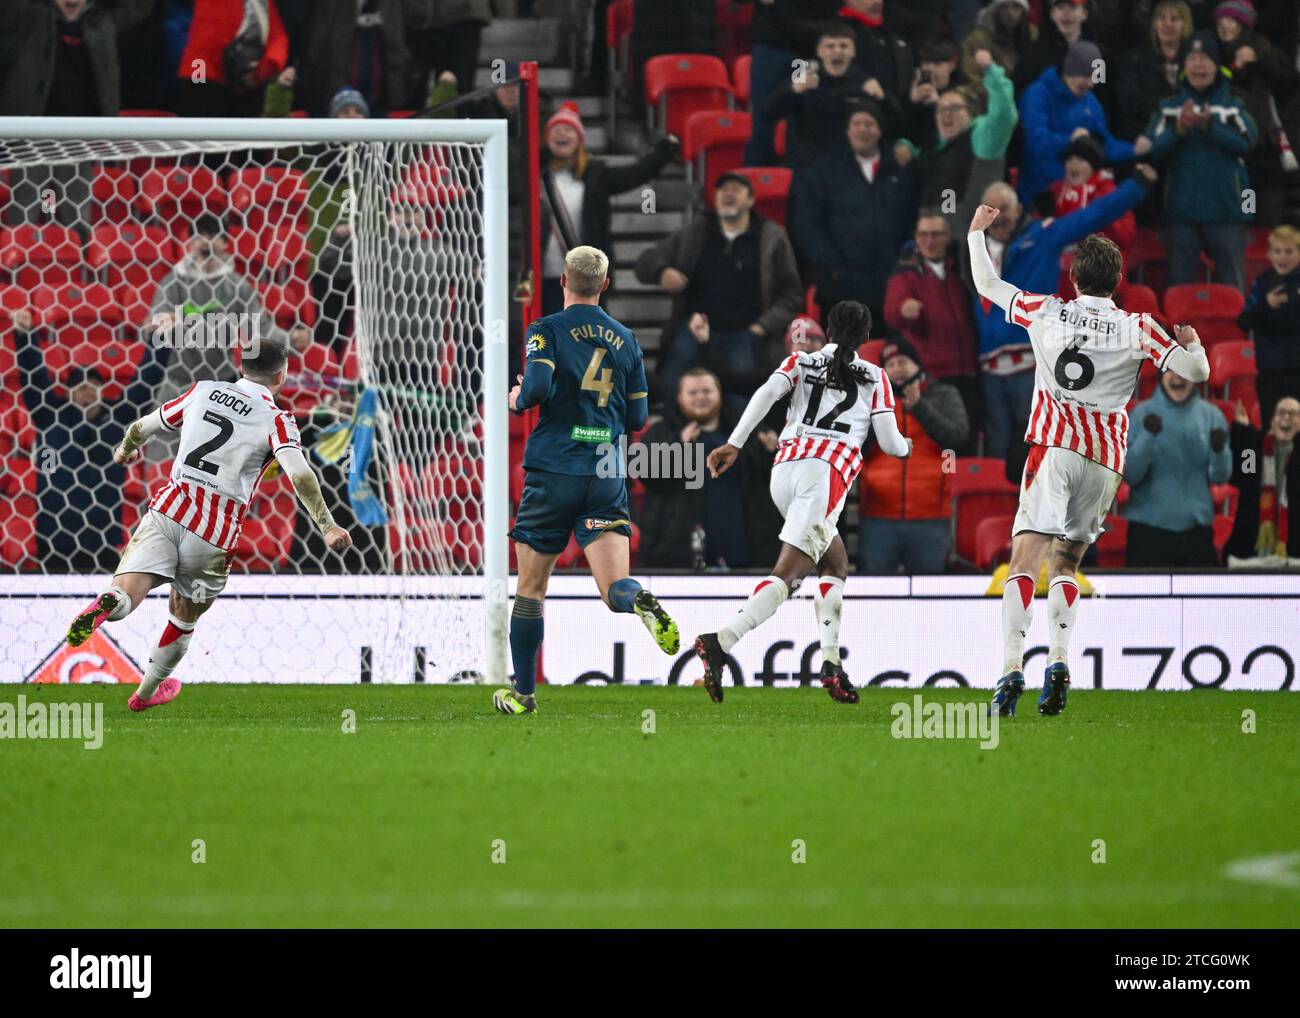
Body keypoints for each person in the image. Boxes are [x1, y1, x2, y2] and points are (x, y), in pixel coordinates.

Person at [966, 211, 1210, 718]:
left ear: (1074, 277)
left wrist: (975, 232)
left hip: (1053, 448)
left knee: (1025, 559)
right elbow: (1197, 372)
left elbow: (986, 282)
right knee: (1067, 564)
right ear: (1119, 281)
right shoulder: (1138, 326)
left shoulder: (1047, 310)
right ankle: (1058, 660)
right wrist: (1193, 343)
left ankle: (1012, 667)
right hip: (1104, 459)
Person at [64, 337, 353, 712]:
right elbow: (300, 473)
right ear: (281, 375)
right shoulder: (277, 419)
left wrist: (125, 449)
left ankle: (111, 602)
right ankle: (144, 695)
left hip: (170, 507)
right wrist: (328, 526)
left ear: (240, 367)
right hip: (214, 530)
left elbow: (142, 425)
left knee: (128, 588)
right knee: (183, 617)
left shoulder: (203, 391)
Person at [692, 301, 914, 706]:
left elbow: (765, 394)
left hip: (785, 471)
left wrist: (735, 443)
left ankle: (831, 662)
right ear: (866, 338)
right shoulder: (875, 376)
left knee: (835, 563)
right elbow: (889, 442)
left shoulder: (801, 361)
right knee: (788, 575)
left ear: (828, 331)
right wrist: (907, 444)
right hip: (824, 477)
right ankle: (722, 640)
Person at [501, 246, 680, 716]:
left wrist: (518, 398)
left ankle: (523, 695)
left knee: (531, 589)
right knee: (613, 585)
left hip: (555, 469)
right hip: (605, 471)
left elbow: (536, 388)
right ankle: (637, 599)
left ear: (563, 280)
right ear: (606, 283)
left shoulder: (546, 330)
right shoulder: (626, 339)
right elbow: (639, 417)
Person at [964, 168, 1157, 464]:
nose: (998, 216)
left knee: (1031, 451)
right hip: (989, 371)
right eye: (991, 209)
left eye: (1004, 208)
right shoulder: (972, 246)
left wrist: (1137, 185)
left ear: (1019, 209)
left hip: (1031, 367)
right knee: (995, 454)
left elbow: (1093, 215)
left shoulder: (1043, 235)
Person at [11, 307, 172, 573]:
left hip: (102, 539)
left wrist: (160, 341)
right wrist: (25, 335)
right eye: (80, 386)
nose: (86, 392)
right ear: (69, 392)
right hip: (53, 538)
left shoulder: (119, 419)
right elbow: (34, 378)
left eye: (93, 385)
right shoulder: (49, 415)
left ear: (102, 389)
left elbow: (146, 381)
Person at [635, 172, 802, 405]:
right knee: (672, 389)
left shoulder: (771, 237)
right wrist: (662, 272)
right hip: (695, 328)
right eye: (723, 190)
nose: (728, 194)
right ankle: (675, 438)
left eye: (736, 190)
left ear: (751, 199)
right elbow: (646, 259)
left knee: (742, 401)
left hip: (745, 332)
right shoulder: (696, 231)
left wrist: (762, 327)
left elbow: (792, 295)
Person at [1142, 30, 1259, 290]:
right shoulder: (1169, 106)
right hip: (1180, 215)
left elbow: (1249, 144)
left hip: (1227, 214)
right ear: (1184, 66)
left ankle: (1235, 334)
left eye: (1205, 58)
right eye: (1192, 58)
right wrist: (1178, 130)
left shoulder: (1234, 105)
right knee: (1178, 292)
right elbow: (1150, 150)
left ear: (1216, 65)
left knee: (1232, 291)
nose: (1198, 65)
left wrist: (1211, 126)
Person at [540, 100, 679, 315]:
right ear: (546, 139)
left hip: (585, 277)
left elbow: (635, 174)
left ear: (580, 140)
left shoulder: (597, 175)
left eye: (569, 129)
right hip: (546, 276)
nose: (562, 134)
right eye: (556, 130)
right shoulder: (535, 174)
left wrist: (666, 149)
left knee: (588, 341)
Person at [635, 367, 779, 569]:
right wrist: (678, 445)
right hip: (676, 556)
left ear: (720, 394)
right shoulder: (661, 432)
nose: (700, 397)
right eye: (693, 392)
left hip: (746, 552)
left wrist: (773, 453)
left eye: (707, 391)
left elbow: (776, 482)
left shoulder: (748, 433)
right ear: (678, 397)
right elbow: (647, 476)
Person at [792, 100, 916, 327]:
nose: (863, 129)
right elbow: (808, 224)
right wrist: (834, 267)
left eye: (869, 123)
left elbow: (911, 221)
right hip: (838, 288)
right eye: (856, 123)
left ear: (880, 130)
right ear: (847, 131)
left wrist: (902, 264)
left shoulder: (899, 173)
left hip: (889, 286)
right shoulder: (823, 172)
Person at [858, 338, 969, 574]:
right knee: (872, 599)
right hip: (878, 517)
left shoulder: (943, 394)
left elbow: (957, 437)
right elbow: (856, 446)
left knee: (927, 601)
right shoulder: (871, 401)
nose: (897, 368)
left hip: (930, 517)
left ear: (918, 365)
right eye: (891, 364)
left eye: (903, 361)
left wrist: (919, 406)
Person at [883, 209, 981, 436]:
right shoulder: (905, 276)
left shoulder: (960, 273)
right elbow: (891, 313)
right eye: (923, 234)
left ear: (947, 237)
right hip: (936, 377)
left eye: (936, 234)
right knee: (946, 443)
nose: (929, 240)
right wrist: (902, 310)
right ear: (916, 238)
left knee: (971, 439)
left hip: (968, 372)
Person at [1016, 41, 1145, 209]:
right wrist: (1069, 140)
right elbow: (1037, 142)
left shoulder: (1090, 102)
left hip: (1074, 198)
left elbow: (1102, 144)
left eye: (1095, 77)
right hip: (1038, 195)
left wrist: (1133, 149)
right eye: (1086, 76)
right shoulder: (1038, 94)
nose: (1091, 84)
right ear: (1070, 70)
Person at [1124, 371, 1232, 567]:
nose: (1179, 377)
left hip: (1196, 533)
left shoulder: (1212, 416)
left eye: (1185, 371)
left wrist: (1220, 451)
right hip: (1147, 533)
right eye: (1172, 370)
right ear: (1160, 375)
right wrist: (1147, 438)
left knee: (1202, 598)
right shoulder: (1140, 414)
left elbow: (1220, 477)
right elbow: (1130, 475)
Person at [763, 22, 896, 169]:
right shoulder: (803, 79)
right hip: (807, 168)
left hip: (851, 167)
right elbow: (768, 113)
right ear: (819, 51)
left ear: (853, 51)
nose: (837, 51)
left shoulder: (865, 82)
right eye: (830, 46)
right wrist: (793, 90)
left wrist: (883, 98)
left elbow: (896, 123)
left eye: (844, 46)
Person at [1225, 395, 1300, 564]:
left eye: (1294, 414)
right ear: (1272, 420)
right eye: (1281, 413)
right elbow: (1244, 477)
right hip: (1255, 551)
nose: (1286, 418)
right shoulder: (1254, 450)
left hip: (1294, 553)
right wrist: (1243, 432)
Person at [1238, 225, 1300, 423]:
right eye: (1277, 251)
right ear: (1269, 254)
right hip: (1270, 372)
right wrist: (1266, 305)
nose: (1283, 257)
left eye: (1289, 251)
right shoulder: (1262, 284)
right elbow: (1244, 321)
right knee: (1271, 427)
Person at [1115, 1, 1195, 142]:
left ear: (1185, 24)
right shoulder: (1135, 58)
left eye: (1174, 19)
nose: (1167, 24)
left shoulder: (1196, 60)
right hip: (1142, 134)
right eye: (1161, 18)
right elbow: (1129, 100)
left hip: (1186, 135)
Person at [1050, 135, 1137, 254]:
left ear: (1093, 166)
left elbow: (1126, 237)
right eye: (1069, 159)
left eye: (1081, 159)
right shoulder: (1056, 191)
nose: (1073, 164)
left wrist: (1104, 214)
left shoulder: (1110, 194)